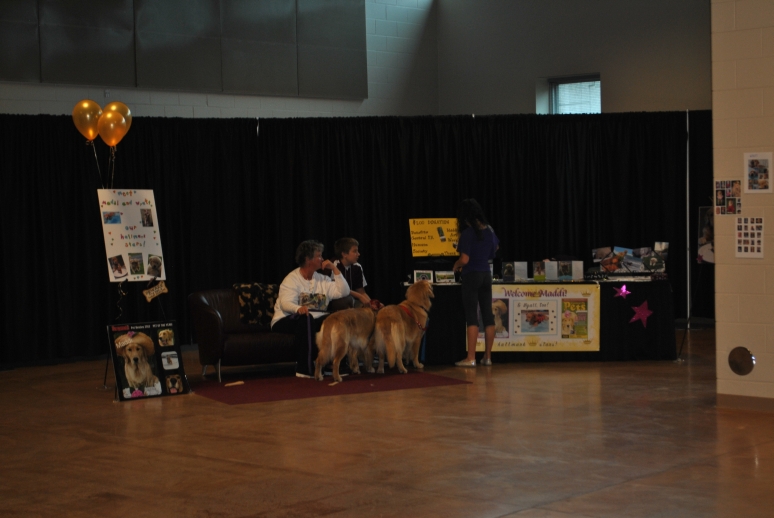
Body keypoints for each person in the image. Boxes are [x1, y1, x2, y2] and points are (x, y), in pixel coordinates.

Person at [271, 240, 350, 378]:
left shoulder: (322, 279)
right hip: (286, 318)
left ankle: (332, 365)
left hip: (312, 319)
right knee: (306, 319)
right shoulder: (292, 279)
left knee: (336, 319)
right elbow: (285, 303)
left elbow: (344, 291)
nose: (322, 259)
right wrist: (298, 308)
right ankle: (304, 368)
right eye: (319, 256)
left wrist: (335, 269)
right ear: (308, 259)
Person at [452, 199, 499, 367]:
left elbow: (465, 259)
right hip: (486, 274)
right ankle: (487, 357)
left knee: (472, 316)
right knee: (488, 315)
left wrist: (456, 265)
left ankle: (470, 358)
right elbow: (495, 249)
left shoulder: (468, 233)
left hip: (472, 275)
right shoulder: (489, 230)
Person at [330, 237, 371, 308]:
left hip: (353, 301)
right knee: (346, 301)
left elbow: (362, 292)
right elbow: (339, 289)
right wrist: (359, 296)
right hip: (338, 301)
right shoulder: (334, 265)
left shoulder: (357, 267)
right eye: (355, 251)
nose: (358, 254)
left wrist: (372, 304)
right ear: (344, 254)